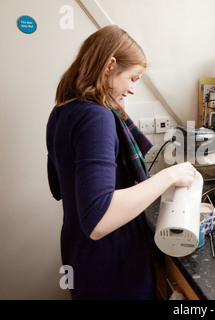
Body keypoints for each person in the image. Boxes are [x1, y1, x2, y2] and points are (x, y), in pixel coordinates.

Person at [46, 25, 197, 300]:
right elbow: (99, 219)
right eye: (132, 78)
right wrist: (169, 177)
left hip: (78, 253)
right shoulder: (96, 117)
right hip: (111, 263)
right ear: (110, 65)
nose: (132, 89)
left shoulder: (62, 109)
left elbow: (61, 187)